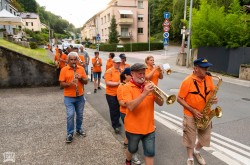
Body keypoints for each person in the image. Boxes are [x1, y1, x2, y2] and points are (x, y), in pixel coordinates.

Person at [177, 58, 218, 165]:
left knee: (205, 138)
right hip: (190, 114)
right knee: (190, 138)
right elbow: (179, 98)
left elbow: (212, 93)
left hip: (206, 113)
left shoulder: (208, 78)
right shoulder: (187, 81)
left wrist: (214, 99)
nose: (207, 70)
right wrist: (193, 110)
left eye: (207, 67)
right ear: (195, 68)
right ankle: (190, 158)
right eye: (204, 68)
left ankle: (197, 151)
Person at [122, 63, 164, 165]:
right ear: (132, 73)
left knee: (150, 153)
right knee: (132, 149)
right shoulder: (127, 87)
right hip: (133, 129)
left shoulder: (148, 85)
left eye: (143, 73)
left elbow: (161, 103)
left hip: (149, 128)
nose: (142, 76)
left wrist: (155, 93)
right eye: (139, 74)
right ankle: (128, 160)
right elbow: (131, 106)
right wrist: (144, 93)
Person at [59, 52, 88, 143]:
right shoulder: (64, 69)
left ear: (77, 60)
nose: (73, 61)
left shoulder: (81, 69)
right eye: (71, 59)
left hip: (80, 96)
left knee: (80, 115)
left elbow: (86, 81)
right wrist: (69, 84)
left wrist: (81, 79)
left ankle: (79, 129)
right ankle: (70, 133)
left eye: (75, 59)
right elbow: (61, 84)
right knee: (70, 115)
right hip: (69, 97)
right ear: (68, 60)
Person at [116, 67, 141, 165]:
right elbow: (121, 102)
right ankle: (133, 156)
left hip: (134, 112)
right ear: (126, 76)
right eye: (131, 75)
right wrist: (133, 103)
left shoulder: (134, 85)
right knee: (133, 136)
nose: (133, 76)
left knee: (130, 133)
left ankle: (126, 144)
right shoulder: (121, 86)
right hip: (125, 113)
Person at [104, 56, 122, 134]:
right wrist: (117, 83)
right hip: (111, 94)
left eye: (119, 63)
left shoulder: (121, 70)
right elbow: (107, 82)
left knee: (119, 109)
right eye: (117, 63)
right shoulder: (109, 71)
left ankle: (117, 122)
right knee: (114, 110)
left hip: (119, 93)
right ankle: (115, 126)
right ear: (113, 62)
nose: (118, 64)